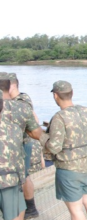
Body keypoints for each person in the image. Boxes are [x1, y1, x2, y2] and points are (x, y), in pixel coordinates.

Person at [39, 80, 87, 220]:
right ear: (72, 94)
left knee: (76, 210)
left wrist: (42, 137)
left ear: (55, 96)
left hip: (68, 169)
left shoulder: (60, 117)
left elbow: (54, 147)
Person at [8, 73, 44, 219]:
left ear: (12, 86)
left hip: (21, 144)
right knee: (23, 176)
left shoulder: (20, 101)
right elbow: (35, 118)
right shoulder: (23, 98)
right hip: (18, 143)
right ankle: (29, 208)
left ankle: (28, 208)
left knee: (22, 177)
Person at [0, 89, 26, 220]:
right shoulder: (14, 129)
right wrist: (21, 180)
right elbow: (19, 158)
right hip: (9, 179)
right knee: (14, 214)